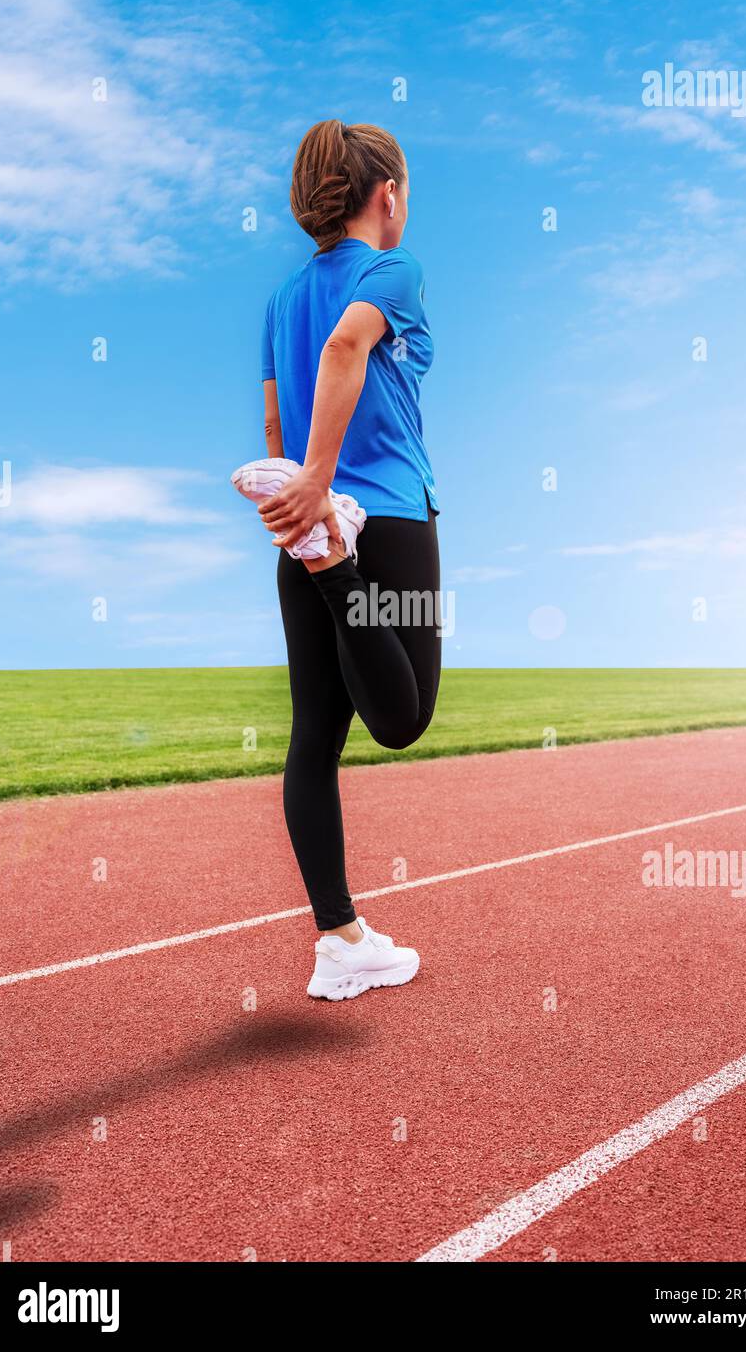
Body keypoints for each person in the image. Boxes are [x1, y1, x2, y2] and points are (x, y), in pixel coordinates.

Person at [231, 120, 442, 1001]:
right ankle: (332, 562)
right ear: (385, 193)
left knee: (312, 740)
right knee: (402, 717)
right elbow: (344, 347)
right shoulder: (392, 270)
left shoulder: (281, 297)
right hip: (383, 522)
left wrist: (297, 499)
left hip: (305, 524)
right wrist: (321, 488)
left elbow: (276, 416)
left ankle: (338, 939)